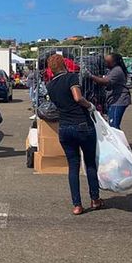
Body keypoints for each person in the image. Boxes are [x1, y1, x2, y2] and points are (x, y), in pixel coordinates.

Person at [45, 54, 102, 215]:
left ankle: (77, 205)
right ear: (64, 64)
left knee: (73, 166)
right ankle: (95, 199)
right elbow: (77, 97)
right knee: (90, 163)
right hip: (81, 125)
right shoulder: (71, 77)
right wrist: (90, 105)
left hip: (64, 128)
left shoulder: (50, 85)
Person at [87, 53, 131, 129]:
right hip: (114, 100)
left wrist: (90, 76)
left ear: (114, 62)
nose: (105, 63)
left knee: (114, 125)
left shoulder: (117, 70)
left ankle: (118, 140)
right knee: (112, 124)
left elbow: (106, 81)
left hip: (119, 101)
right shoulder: (112, 70)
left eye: (108, 62)